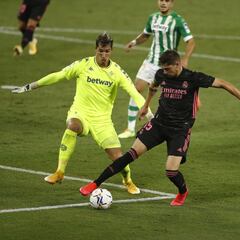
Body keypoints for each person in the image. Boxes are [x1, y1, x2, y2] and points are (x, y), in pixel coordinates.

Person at [79, 50, 240, 206]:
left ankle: (182, 192)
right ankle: (95, 184)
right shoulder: (161, 74)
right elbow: (153, 87)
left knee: (171, 171)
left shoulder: (193, 78)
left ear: (177, 64)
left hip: (180, 129)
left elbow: (223, 83)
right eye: (163, 68)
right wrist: (145, 105)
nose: (164, 71)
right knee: (130, 154)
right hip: (159, 124)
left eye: (167, 68)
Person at [12, 32, 153, 194]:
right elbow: (59, 75)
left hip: (102, 121)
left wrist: (149, 114)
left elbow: (134, 93)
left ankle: (127, 181)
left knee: (119, 158)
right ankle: (59, 172)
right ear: (96, 49)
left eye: (107, 51)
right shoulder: (83, 65)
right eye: (101, 51)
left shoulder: (117, 72)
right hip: (81, 113)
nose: (103, 55)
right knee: (72, 125)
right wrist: (32, 86)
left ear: (111, 51)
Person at [118, 0, 196, 139]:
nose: (163, 3)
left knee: (177, 96)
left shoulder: (177, 20)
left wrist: (185, 59)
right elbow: (146, 34)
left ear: (172, 3)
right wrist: (134, 42)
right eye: (161, 0)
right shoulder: (153, 17)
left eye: (167, 0)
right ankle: (130, 128)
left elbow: (190, 41)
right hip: (151, 61)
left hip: (168, 65)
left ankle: (179, 123)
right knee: (136, 89)